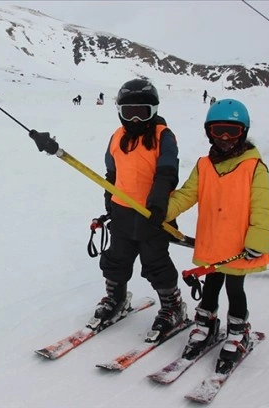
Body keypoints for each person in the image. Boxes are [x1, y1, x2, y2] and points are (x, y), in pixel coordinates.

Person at [165, 99, 269, 373]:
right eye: (218, 131)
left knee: (235, 289)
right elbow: (187, 195)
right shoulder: (204, 166)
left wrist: (257, 241)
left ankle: (238, 332)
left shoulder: (254, 167)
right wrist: (161, 213)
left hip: (239, 245)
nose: (225, 138)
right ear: (208, 133)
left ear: (244, 132)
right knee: (212, 284)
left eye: (232, 132)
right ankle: (207, 324)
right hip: (213, 243)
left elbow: (263, 208)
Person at [95, 78, 186, 342]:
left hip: (153, 216)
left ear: (153, 111)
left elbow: (167, 172)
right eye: (129, 113)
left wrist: (158, 203)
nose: (135, 120)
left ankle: (172, 306)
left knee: (155, 262)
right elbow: (111, 173)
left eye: (141, 112)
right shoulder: (117, 137)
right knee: (116, 259)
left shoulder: (163, 136)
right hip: (123, 213)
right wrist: (109, 199)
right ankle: (116, 297)